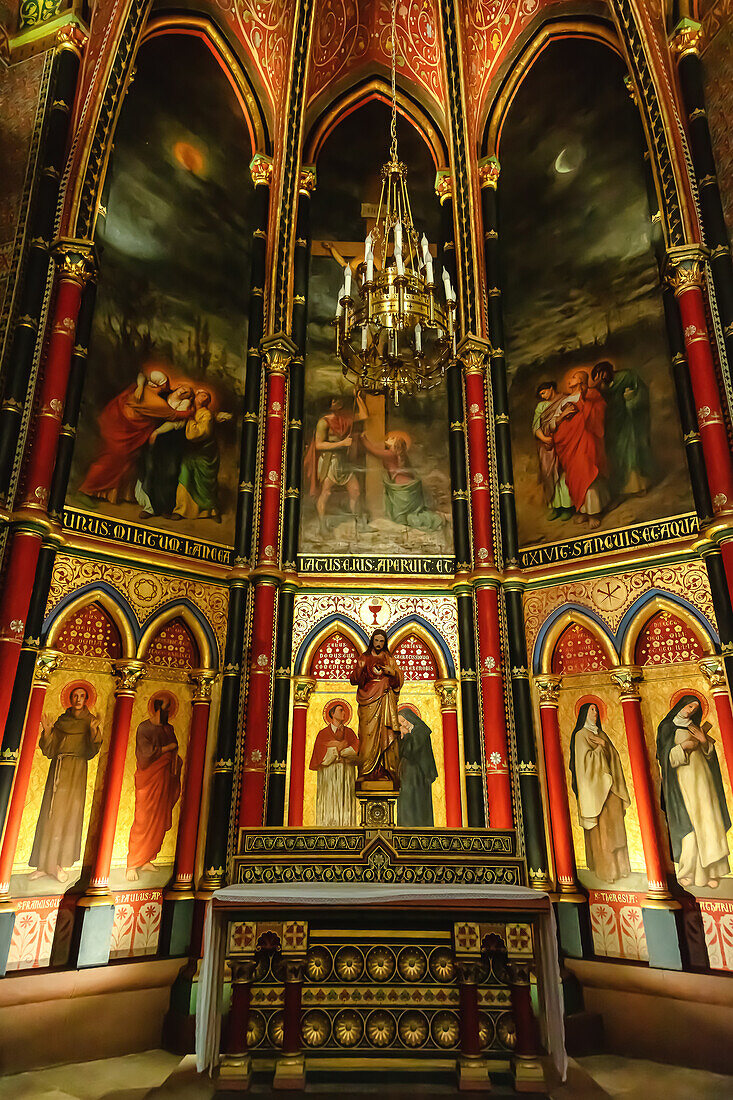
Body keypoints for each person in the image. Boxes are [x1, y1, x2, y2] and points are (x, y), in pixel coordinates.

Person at [79, 366, 192, 503]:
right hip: (124, 433)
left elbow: (142, 375)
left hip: (123, 429)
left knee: (127, 463)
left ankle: (116, 494)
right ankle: (90, 488)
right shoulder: (156, 402)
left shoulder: (136, 388)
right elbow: (174, 415)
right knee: (112, 461)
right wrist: (192, 411)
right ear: (161, 385)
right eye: (165, 383)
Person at [29, 684, 102, 883]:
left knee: (66, 817)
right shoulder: (63, 720)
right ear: (70, 698)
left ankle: (58, 864)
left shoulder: (90, 721)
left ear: (87, 699)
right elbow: (50, 749)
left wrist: (95, 731)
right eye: (75, 696)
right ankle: (43, 865)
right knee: (49, 814)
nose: (78, 699)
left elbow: (92, 750)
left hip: (76, 773)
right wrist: (47, 731)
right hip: (57, 770)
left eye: (82, 696)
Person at [656, 694, 730, 889]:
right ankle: (688, 871)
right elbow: (663, 759)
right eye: (689, 707)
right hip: (682, 784)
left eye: (695, 709)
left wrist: (703, 740)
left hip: (705, 783)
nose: (691, 711)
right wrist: (683, 747)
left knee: (709, 822)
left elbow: (710, 755)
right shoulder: (667, 727)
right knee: (690, 826)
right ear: (680, 706)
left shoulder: (695, 727)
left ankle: (712, 871)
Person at [569, 700, 631, 883]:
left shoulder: (600, 734)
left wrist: (604, 745)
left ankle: (622, 867)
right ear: (584, 714)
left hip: (610, 788)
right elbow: (583, 763)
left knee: (617, 829)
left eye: (596, 710)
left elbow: (614, 756)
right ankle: (607, 872)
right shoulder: (581, 735)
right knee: (603, 832)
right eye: (592, 710)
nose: (595, 714)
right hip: (596, 792)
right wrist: (599, 748)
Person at [126, 695, 182, 881]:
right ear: (157, 708)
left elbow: (175, 751)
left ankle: (148, 858)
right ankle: (132, 863)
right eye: (165, 708)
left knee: (159, 818)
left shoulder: (169, 729)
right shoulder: (145, 728)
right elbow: (145, 754)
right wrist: (167, 748)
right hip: (148, 779)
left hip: (165, 777)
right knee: (143, 819)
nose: (167, 712)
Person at [552, 370, 609, 530]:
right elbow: (556, 422)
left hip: (586, 440)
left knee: (587, 473)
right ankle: (582, 510)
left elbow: (599, 411)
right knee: (575, 476)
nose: (569, 380)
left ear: (581, 381)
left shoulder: (592, 394)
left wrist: (585, 402)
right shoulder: (565, 400)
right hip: (569, 444)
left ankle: (593, 513)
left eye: (574, 377)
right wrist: (563, 416)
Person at [360, 430, 444, 532]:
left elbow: (372, 450)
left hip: (403, 489)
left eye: (392, 438)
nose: (388, 439)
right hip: (409, 486)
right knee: (407, 515)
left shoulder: (389, 454)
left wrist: (362, 437)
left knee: (402, 516)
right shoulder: (400, 456)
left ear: (395, 443)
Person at [350, 629, 404, 785]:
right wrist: (360, 668)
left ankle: (385, 771)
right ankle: (365, 771)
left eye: (381, 641)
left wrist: (392, 672)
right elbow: (354, 680)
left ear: (384, 642)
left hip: (385, 701)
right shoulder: (364, 658)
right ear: (372, 641)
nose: (379, 644)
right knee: (367, 737)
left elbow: (398, 681)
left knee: (384, 736)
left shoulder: (389, 659)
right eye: (376, 641)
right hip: (368, 702)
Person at [591, 360, 653, 497]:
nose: (602, 378)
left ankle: (639, 486)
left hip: (629, 421)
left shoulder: (626, 376)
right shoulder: (601, 390)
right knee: (617, 456)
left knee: (632, 453)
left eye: (603, 374)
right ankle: (623, 489)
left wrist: (631, 400)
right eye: (598, 377)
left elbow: (641, 391)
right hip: (613, 425)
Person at [304, 396, 362, 534]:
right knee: (326, 493)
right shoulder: (323, 422)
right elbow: (319, 445)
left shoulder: (343, 418)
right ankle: (322, 526)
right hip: (330, 461)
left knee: (356, 492)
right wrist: (342, 443)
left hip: (343, 461)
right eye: (335, 400)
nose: (339, 402)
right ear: (329, 405)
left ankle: (359, 524)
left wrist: (358, 396)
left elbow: (364, 415)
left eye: (338, 399)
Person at [135, 385, 195, 517]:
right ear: (178, 387)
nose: (184, 390)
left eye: (188, 392)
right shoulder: (161, 396)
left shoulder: (185, 406)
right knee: (150, 470)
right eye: (184, 388)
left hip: (172, 443)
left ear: (189, 397)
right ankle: (150, 507)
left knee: (170, 473)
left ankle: (167, 508)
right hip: (152, 440)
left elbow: (176, 423)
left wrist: (158, 431)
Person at [172, 389, 231, 522]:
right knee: (184, 477)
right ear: (196, 396)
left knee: (205, 484)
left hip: (205, 453)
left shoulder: (207, 415)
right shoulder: (188, 407)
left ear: (208, 402)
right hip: (190, 453)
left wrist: (191, 420)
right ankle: (181, 509)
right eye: (201, 395)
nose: (203, 397)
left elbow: (197, 434)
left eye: (206, 396)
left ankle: (210, 510)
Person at [309, 702, 360, 827]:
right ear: (332, 713)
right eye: (340, 710)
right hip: (329, 775)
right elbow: (320, 756)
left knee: (345, 801)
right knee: (330, 801)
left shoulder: (349, 733)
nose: (344, 713)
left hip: (346, 774)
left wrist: (341, 750)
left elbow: (357, 749)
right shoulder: (323, 734)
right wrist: (336, 749)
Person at [532, 380, 573, 520]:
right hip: (547, 447)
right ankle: (556, 507)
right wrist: (543, 438)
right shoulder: (541, 406)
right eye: (541, 394)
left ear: (550, 388)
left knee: (562, 474)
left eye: (543, 392)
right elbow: (536, 426)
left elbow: (569, 420)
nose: (543, 396)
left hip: (564, 442)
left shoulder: (565, 400)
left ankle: (567, 507)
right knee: (549, 475)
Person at [397, 706, 438, 826]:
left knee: (416, 802)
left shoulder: (421, 731)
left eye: (404, 721)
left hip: (418, 773)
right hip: (406, 773)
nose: (403, 725)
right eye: (400, 723)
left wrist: (407, 736)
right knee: (406, 802)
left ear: (411, 719)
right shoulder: (409, 732)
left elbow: (411, 752)